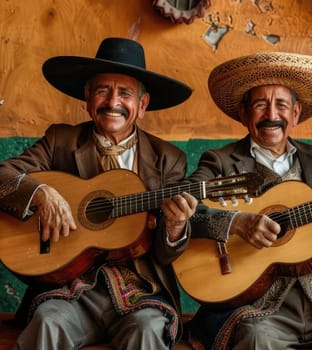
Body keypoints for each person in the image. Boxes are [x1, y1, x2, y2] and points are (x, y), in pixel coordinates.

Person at [0, 37, 198, 349]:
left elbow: (164, 252)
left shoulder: (168, 158)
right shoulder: (60, 141)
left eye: (125, 93)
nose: (112, 101)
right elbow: (3, 175)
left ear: (142, 105)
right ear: (88, 97)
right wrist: (40, 192)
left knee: (147, 330)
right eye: (103, 90)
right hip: (69, 287)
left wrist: (174, 226)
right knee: (48, 323)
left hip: (140, 290)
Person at [185, 52, 312, 350]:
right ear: (245, 112)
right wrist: (237, 223)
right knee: (257, 339)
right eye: (260, 104)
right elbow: (183, 207)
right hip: (256, 301)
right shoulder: (220, 161)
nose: (271, 114)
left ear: (296, 113)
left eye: (282, 105)